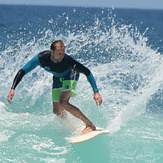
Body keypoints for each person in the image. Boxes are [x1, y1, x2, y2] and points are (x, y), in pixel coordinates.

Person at [7, 40, 102, 135]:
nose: (62, 55)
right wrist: (13, 88)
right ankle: (72, 126)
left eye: (63, 53)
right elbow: (23, 71)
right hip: (57, 78)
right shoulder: (41, 58)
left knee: (63, 102)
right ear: (52, 52)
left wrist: (96, 91)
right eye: (59, 53)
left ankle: (89, 125)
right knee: (57, 111)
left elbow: (87, 72)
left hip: (70, 74)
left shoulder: (68, 61)